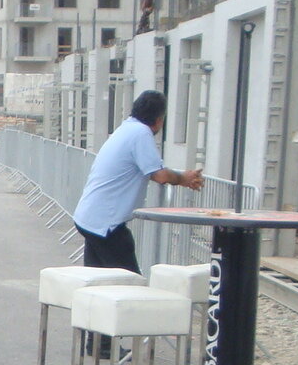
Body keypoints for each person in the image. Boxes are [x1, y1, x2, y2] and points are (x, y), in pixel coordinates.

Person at [71, 90, 202, 273]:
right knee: (128, 283)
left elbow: (152, 169)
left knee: (99, 282)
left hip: (90, 217)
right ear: (159, 119)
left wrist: (181, 177)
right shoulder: (141, 134)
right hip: (106, 224)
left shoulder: (127, 128)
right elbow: (160, 175)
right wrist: (183, 179)